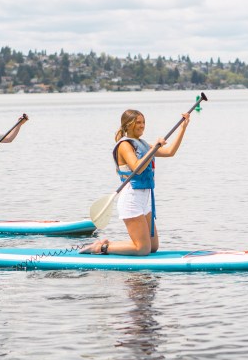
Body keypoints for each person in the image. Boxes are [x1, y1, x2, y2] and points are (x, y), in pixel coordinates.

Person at [80, 108, 190, 255]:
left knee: (153, 247)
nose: (142, 125)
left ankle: (109, 243)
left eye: (143, 122)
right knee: (142, 249)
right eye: (138, 122)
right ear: (128, 125)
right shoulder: (124, 145)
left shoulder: (143, 144)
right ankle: (100, 248)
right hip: (131, 198)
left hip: (146, 198)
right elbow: (137, 168)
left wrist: (183, 128)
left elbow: (170, 152)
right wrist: (153, 149)